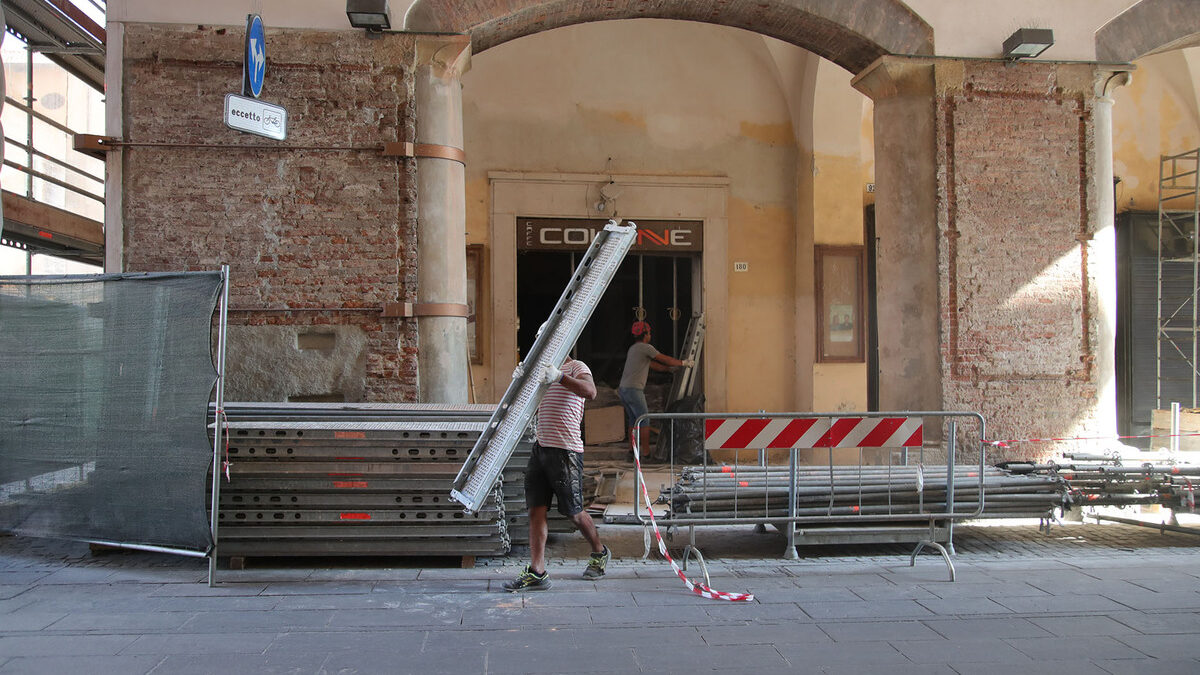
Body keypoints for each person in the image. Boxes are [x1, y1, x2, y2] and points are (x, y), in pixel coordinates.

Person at [504, 356, 610, 592]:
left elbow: (591, 392)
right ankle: (537, 572)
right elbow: (524, 404)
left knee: (573, 512)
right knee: (535, 510)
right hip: (541, 448)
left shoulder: (576, 366)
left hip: (566, 451)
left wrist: (560, 376)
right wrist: (521, 381)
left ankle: (599, 551)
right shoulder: (541, 371)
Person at [617, 320, 694, 453]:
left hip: (624, 389)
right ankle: (646, 453)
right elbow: (663, 358)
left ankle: (632, 450)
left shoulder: (634, 349)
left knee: (633, 420)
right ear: (645, 334)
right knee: (644, 419)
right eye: (649, 333)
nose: (650, 335)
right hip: (634, 390)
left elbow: (652, 365)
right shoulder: (646, 348)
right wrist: (683, 363)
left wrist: (668, 370)